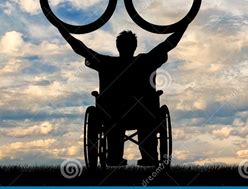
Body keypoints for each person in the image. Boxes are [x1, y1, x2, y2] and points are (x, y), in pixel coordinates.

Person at [57, 25, 187, 166]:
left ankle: (114, 156)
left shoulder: (106, 62)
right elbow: (169, 43)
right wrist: (185, 23)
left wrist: (60, 27)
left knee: (114, 119)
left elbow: (80, 48)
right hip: (143, 114)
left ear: (118, 46)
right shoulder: (146, 61)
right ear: (135, 46)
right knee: (144, 116)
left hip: (113, 115)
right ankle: (149, 156)